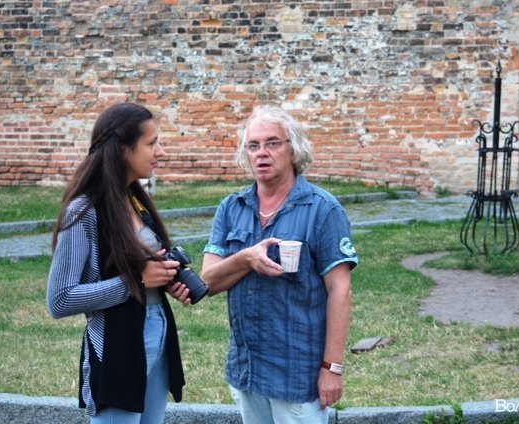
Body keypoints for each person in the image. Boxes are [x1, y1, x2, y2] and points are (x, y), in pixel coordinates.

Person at [201, 105, 358, 424]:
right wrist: (246, 258)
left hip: (297, 374)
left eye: (272, 143)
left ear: (293, 149)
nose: (262, 153)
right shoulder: (232, 208)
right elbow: (208, 282)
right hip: (247, 369)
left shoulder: (322, 209)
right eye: (253, 145)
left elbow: (340, 290)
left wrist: (332, 368)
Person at [46, 102, 192, 424]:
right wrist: (136, 283)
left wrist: (166, 277)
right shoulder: (83, 211)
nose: (161, 151)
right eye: (152, 143)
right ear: (124, 149)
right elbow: (60, 299)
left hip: (157, 330)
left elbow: (141, 268)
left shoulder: (134, 198)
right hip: (117, 346)